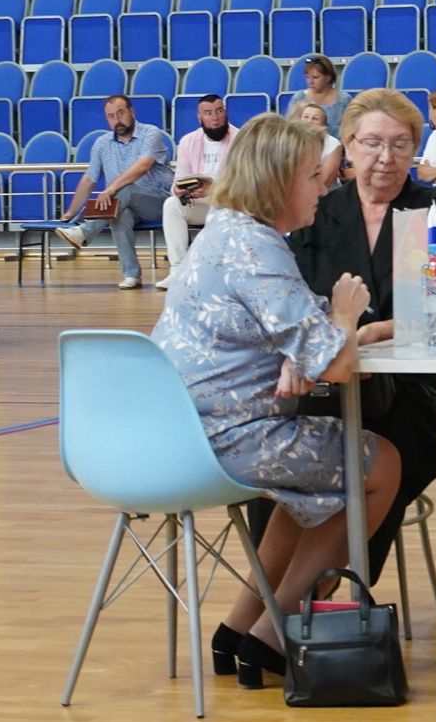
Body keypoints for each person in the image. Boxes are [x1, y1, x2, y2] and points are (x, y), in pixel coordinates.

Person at [152, 115, 400, 687]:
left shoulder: (224, 231)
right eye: (314, 177)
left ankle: (239, 628)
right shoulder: (258, 248)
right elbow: (335, 364)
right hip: (224, 440)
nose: (323, 187)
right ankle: (278, 629)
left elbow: (293, 326)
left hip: (176, 433)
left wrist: (336, 334)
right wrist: (343, 315)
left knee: (305, 489)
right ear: (278, 182)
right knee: (381, 463)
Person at [288, 88, 436, 584]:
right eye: (373, 144)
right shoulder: (318, 208)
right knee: (286, 456)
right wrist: (352, 337)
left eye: (401, 145)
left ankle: (341, 582)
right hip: (327, 384)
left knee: (395, 447)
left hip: (405, 387)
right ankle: (286, 594)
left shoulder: (430, 208)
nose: (386, 158)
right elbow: (300, 306)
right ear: (348, 146)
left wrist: (370, 332)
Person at [56, 96, 175, 290]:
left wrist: (111, 188)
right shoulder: (102, 144)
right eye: (111, 116)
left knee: (123, 188)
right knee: (119, 213)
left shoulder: (151, 133)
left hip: (160, 202)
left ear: (132, 112)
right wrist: (71, 212)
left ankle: (85, 232)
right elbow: (89, 180)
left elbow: (142, 167)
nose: (117, 120)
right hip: (124, 203)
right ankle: (131, 274)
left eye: (121, 113)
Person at [156, 94, 236, 290]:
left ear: (225, 112)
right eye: (208, 113)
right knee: (171, 204)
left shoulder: (241, 138)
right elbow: (178, 180)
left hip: (229, 203)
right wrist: (179, 189)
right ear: (200, 117)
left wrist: (214, 188)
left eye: (219, 111)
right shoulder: (188, 141)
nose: (215, 117)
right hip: (199, 201)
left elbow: (245, 184)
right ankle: (178, 271)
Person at [286, 97, 346, 187]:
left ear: (324, 125)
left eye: (315, 118)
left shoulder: (332, 143)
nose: (309, 121)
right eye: (306, 117)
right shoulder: (290, 141)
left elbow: (323, 182)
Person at [300, 54, 351, 138]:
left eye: (315, 77)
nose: (310, 82)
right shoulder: (299, 98)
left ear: (328, 78)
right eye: (308, 77)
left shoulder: (344, 100)